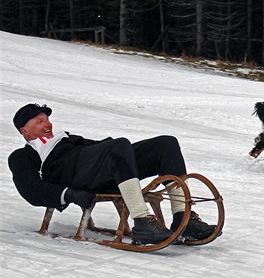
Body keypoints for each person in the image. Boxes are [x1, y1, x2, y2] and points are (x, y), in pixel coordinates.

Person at [8, 103, 218, 244]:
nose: (47, 124)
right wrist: (68, 194)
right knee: (119, 144)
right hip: (76, 176)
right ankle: (142, 222)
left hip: (103, 170)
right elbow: (30, 189)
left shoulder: (69, 139)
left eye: (46, 119)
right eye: (39, 121)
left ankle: (184, 219)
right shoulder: (23, 155)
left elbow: (99, 152)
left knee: (166, 144)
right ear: (24, 131)